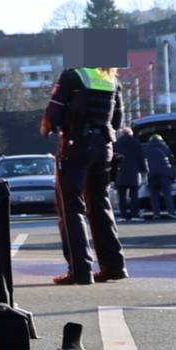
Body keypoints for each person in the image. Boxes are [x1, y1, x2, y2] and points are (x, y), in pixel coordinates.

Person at [39, 63, 128, 284]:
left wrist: (47, 129)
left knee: (71, 207)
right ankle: (114, 267)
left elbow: (53, 112)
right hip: (104, 147)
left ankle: (80, 271)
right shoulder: (112, 80)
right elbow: (117, 121)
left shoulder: (73, 76)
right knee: (100, 205)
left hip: (76, 145)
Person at [142, 134, 176, 219]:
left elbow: (143, 160)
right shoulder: (164, 146)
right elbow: (171, 158)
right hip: (165, 173)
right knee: (167, 193)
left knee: (154, 195)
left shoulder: (146, 147)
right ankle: (171, 212)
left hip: (152, 173)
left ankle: (156, 214)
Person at [114, 125, 144, 221]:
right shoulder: (136, 143)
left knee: (122, 196)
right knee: (134, 194)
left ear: (122, 134)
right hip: (133, 172)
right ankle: (134, 214)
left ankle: (123, 215)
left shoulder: (117, 143)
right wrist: (143, 169)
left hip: (120, 173)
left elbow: (113, 158)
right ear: (131, 134)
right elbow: (140, 158)